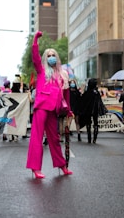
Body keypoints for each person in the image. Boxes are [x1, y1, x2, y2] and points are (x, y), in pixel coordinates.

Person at [26, 31, 73, 179]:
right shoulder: (41, 71)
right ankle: (35, 168)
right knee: (37, 137)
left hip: (54, 110)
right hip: (41, 107)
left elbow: (66, 95)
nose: (51, 57)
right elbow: (34, 56)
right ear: (45, 58)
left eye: (54, 55)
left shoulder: (61, 74)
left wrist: (69, 111)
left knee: (55, 138)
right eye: (49, 55)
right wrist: (35, 40)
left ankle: (62, 166)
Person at [79, 78, 104, 144]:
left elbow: (83, 101)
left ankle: (89, 138)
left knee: (88, 123)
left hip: (88, 110)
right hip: (95, 109)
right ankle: (94, 139)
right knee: (95, 123)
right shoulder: (97, 93)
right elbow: (99, 102)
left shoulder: (87, 92)